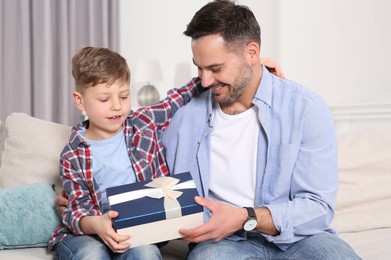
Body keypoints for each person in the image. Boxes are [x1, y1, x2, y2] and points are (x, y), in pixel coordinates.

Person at [160, 0, 361, 259]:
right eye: (199, 68)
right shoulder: (185, 119)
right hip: (223, 243)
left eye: (216, 68)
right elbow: (126, 126)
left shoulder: (304, 109)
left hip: (298, 239)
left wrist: (246, 217)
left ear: (252, 53)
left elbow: (318, 208)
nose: (206, 80)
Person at [48, 46, 205, 259]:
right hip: (91, 234)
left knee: (146, 253)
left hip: (136, 231)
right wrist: (97, 225)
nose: (116, 106)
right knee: (92, 253)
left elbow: (178, 97)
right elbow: (77, 211)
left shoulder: (143, 123)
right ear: (80, 100)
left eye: (123, 96)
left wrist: (239, 68)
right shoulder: (72, 155)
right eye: (104, 99)